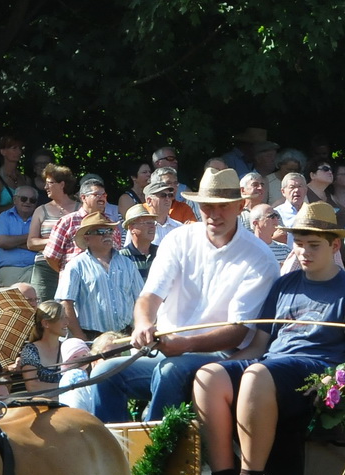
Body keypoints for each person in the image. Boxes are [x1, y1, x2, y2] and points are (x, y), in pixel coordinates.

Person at [192, 202, 345, 475]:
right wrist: (223, 365)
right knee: (208, 376)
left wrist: (335, 382)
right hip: (272, 365)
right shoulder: (283, 285)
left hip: (312, 372)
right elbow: (258, 346)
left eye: (313, 245)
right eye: (299, 244)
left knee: (256, 375)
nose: (304, 252)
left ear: (334, 245)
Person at [72, 168, 279, 424]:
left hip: (223, 357)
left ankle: (155, 456)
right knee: (105, 370)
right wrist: (144, 325)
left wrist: (185, 345)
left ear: (239, 206)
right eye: (206, 206)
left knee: (170, 371)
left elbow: (236, 332)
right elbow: (149, 296)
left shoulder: (260, 258)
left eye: (222, 207)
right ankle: (115, 452)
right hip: (169, 348)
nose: (213, 214)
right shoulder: (178, 239)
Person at [56, 213, 144, 338]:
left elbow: (141, 298)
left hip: (126, 335)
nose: (107, 234)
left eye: (109, 230)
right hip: (91, 336)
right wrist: (80, 336)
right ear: (87, 238)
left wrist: (139, 327)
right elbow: (66, 303)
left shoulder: (127, 263)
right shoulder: (76, 265)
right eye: (100, 231)